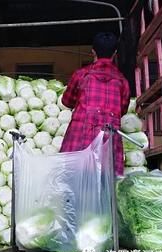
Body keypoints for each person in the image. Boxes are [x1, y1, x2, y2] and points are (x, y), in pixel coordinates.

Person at [60, 32, 130, 177]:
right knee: (105, 184)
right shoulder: (122, 81)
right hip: (108, 142)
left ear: (93, 51)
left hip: (80, 138)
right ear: (115, 53)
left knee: (74, 181)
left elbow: (66, 101)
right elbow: (122, 110)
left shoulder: (81, 75)